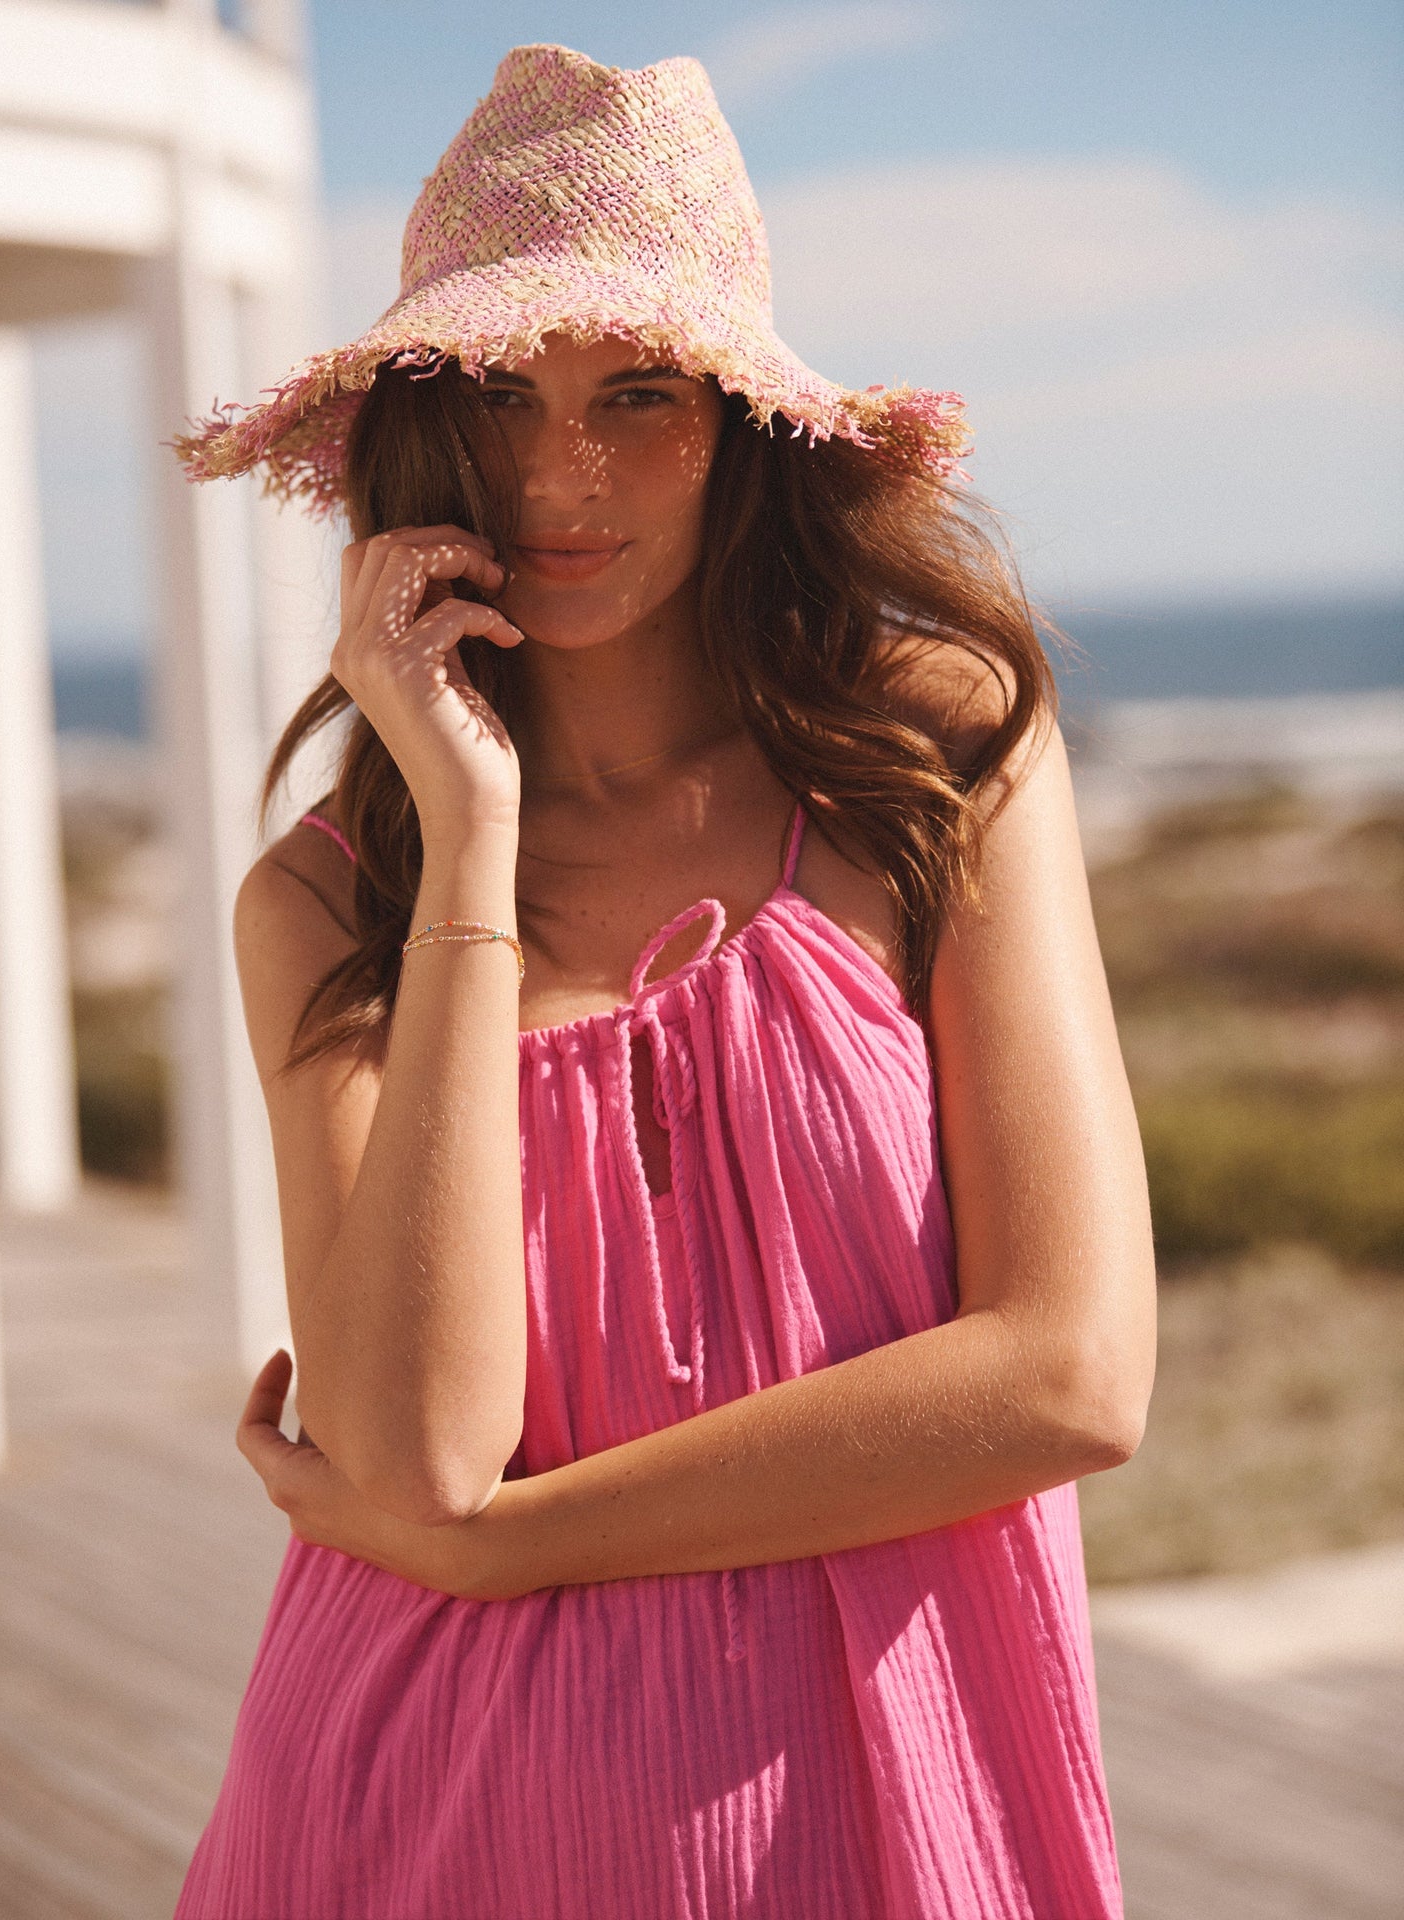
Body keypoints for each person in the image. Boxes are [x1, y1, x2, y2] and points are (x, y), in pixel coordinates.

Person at [172, 42, 1154, 1920]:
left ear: (746, 420)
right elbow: (413, 1444)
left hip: (887, 1819)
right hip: (416, 1823)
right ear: (415, 430)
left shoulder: (935, 758)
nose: (564, 470)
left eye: (638, 391)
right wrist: (469, 837)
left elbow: (1073, 1375)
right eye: (495, 394)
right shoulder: (325, 905)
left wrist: (512, 1549)